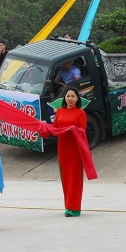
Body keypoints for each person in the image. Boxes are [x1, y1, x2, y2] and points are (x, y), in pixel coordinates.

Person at [53, 87, 88, 216]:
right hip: (63, 147)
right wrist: (43, 126)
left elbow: (83, 131)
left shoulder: (80, 113)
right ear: (64, 98)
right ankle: (68, 206)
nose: (70, 99)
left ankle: (75, 208)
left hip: (75, 148)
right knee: (66, 177)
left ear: (77, 99)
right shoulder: (60, 112)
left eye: (73, 96)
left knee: (75, 177)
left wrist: (73, 129)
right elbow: (54, 129)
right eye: (68, 96)